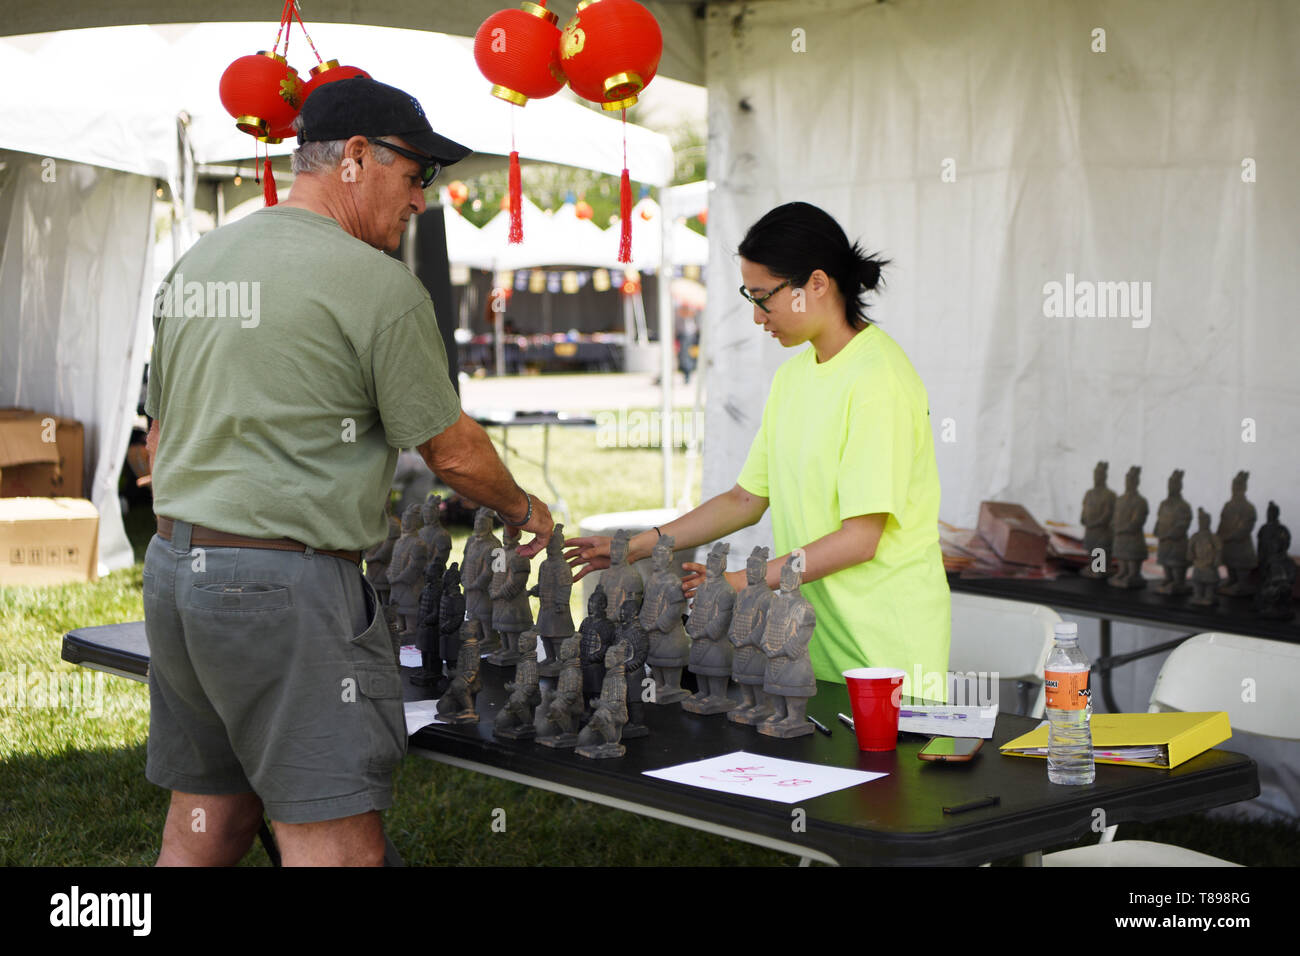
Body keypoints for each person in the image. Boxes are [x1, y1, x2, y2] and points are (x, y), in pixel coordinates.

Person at [143, 78, 553, 867]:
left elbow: (159, 438)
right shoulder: (378, 286)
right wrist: (523, 506)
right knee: (336, 847)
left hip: (175, 575)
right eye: (415, 176)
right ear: (358, 157)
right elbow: (451, 449)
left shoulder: (200, 261)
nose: (420, 202)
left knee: (206, 825)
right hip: (284, 593)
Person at [565, 201, 949, 698]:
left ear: (816, 283)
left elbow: (860, 539)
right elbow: (745, 499)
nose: (755, 315)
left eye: (763, 296)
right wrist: (641, 544)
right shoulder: (794, 377)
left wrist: (737, 581)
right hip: (814, 644)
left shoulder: (879, 379)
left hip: (888, 651)